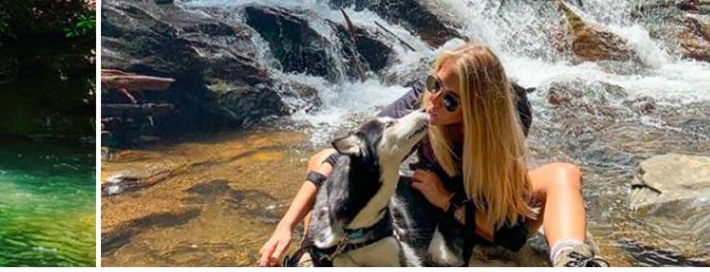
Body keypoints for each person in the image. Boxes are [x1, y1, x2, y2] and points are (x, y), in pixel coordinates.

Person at [256, 43, 608, 267]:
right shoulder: (421, 103)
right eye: (434, 85)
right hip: (426, 204)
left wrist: (447, 200)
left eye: (450, 99)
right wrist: (285, 226)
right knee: (324, 158)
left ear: (480, 107)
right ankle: (309, 253)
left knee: (563, 173)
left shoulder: (510, 114)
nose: (434, 101)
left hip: (478, 204)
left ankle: (572, 259)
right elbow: (358, 152)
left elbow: (509, 232)